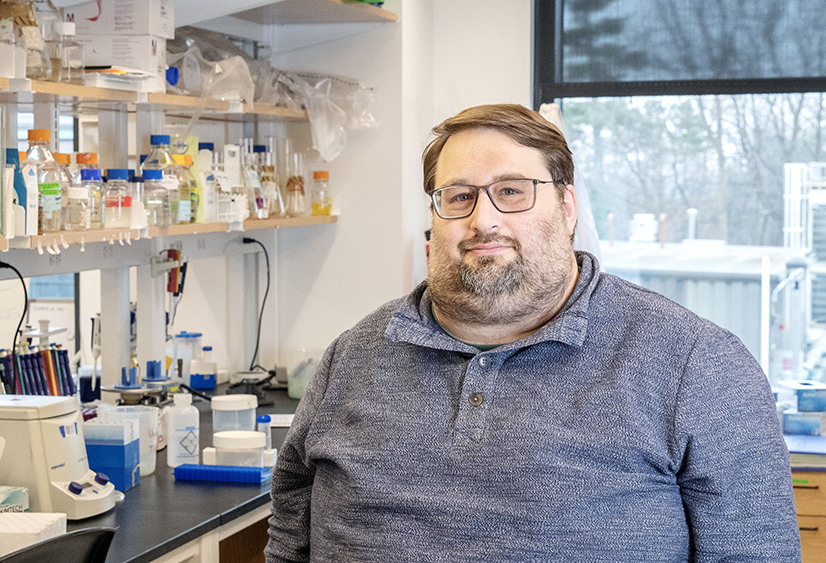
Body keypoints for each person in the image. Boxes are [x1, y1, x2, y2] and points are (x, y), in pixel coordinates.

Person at [264, 104, 800, 562]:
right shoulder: (353, 355)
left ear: (567, 208)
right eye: (458, 197)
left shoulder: (696, 363)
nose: (483, 220)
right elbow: (291, 527)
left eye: (513, 191)